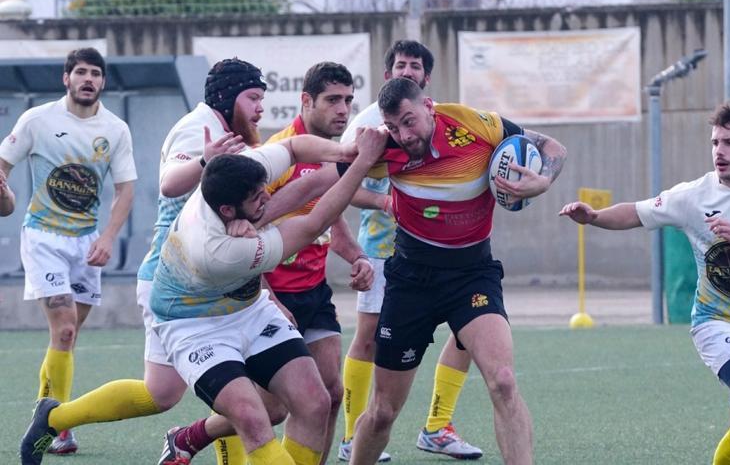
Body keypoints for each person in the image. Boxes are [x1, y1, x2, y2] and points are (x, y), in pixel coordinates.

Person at [17, 58, 267, 465]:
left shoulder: (229, 132)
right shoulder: (199, 128)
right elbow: (170, 183)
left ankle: (56, 417)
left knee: (168, 393)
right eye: (253, 97)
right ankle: (56, 417)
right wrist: (205, 162)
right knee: (190, 389)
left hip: (208, 278)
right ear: (227, 97)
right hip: (175, 279)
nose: (260, 108)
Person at [559, 101, 730, 465]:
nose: (719, 151)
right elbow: (637, 212)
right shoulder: (694, 196)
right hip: (713, 321)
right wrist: (593, 217)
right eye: (716, 142)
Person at [350, 77, 567, 465]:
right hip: (410, 280)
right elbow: (334, 184)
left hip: (472, 274)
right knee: (383, 411)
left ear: (429, 106)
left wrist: (543, 181)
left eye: (409, 121)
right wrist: (382, 200)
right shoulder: (384, 147)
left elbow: (553, 148)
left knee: (502, 381)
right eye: (394, 126)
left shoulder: (475, 124)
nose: (403, 134)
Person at [206, 61, 374, 465]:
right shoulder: (276, 154)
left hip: (313, 291)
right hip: (270, 293)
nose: (343, 110)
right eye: (333, 100)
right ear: (305, 101)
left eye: (349, 100)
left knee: (331, 395)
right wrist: (268, 296)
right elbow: (244, 232)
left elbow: (329, 214)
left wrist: (357, 256)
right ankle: (193, 438)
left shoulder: (333, 156)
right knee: (271, 408)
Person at [337, 40, 482, 461]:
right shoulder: (368, 125)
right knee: (367, 339)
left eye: (414, 66)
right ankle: (351, 437)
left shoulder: (442, 119)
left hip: (443, 252)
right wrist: (385, 202)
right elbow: (341, 185)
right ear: (387, 74)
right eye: (399, 64)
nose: (407, 70)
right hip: (385, 249)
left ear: (425, 81)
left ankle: (438, 427)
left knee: (467, 332)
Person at [1, 48, 137, 456]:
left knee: (67, 336)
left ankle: (45, 412)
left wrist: (108, 237)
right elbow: (2, 167)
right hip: (43, 236)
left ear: (103, 81)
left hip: (85, 242)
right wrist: (4, 194)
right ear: (66, 78)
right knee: (62, 328)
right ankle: (58, 428)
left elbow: (126, 188)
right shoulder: (37, 120)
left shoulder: (115, 129)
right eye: (80, 72)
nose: (88, 79)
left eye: (95, 73)